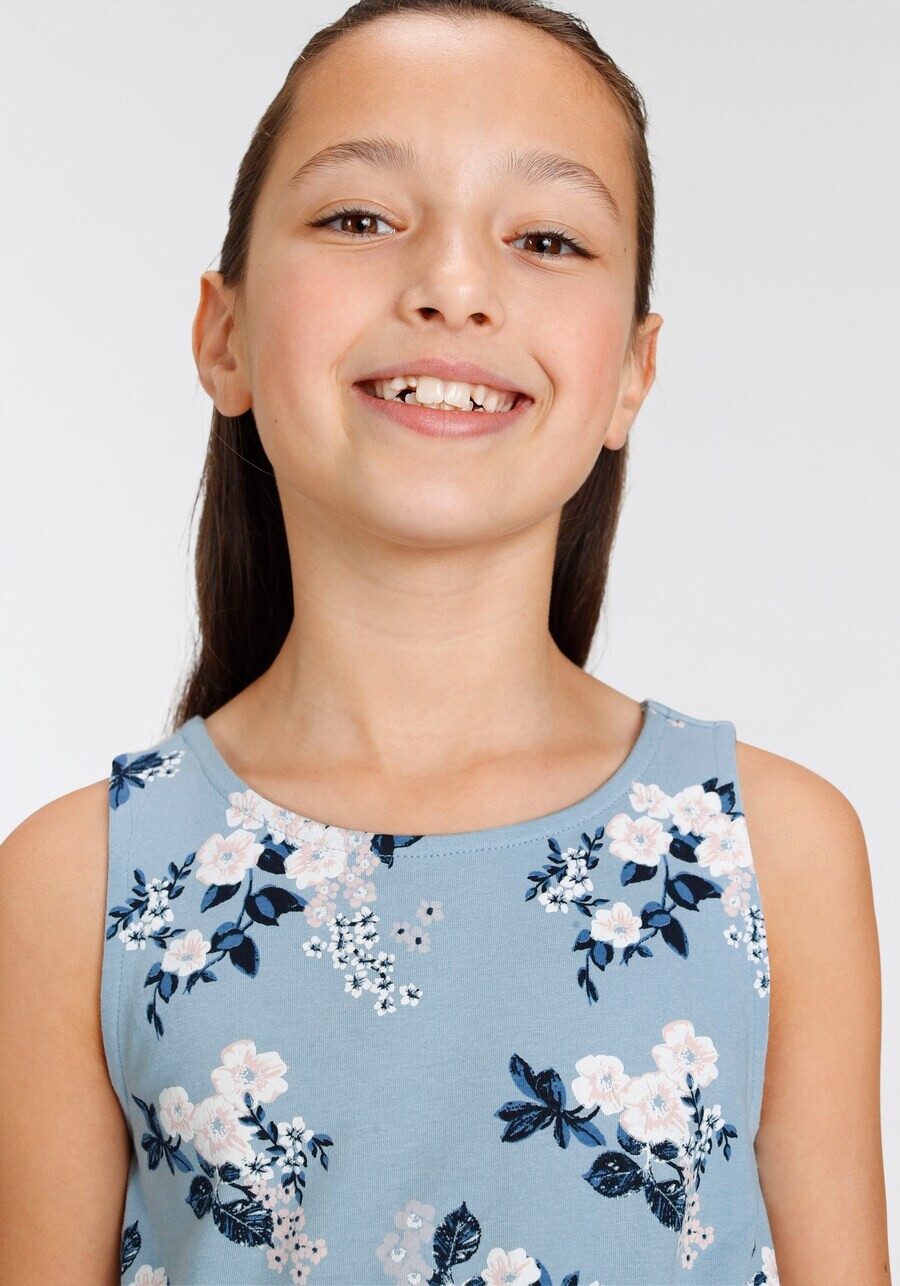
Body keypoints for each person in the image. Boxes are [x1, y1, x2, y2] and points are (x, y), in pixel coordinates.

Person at [1, 1, 890, 1283]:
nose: (454, 288)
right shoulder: (74, 884)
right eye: (360, 218)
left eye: (546, 238)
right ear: (223, 333)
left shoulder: (777, 851)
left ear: (632, 373)